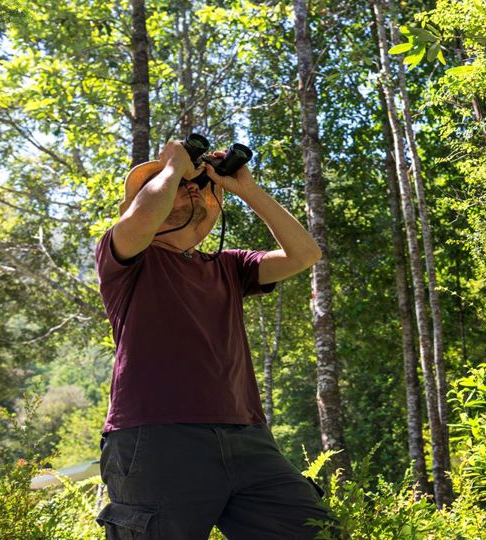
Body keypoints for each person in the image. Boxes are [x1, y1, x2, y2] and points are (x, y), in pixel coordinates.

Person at [93, 140, 336, 539]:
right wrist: (171, 167)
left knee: (315, 532)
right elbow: (140, 222)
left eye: (198, 186)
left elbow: (305, 253)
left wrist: (248, 190)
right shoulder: (125, 258)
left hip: (248, 438)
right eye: (173, 186)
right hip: (156, 438)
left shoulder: (229, 266)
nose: (191, 187)